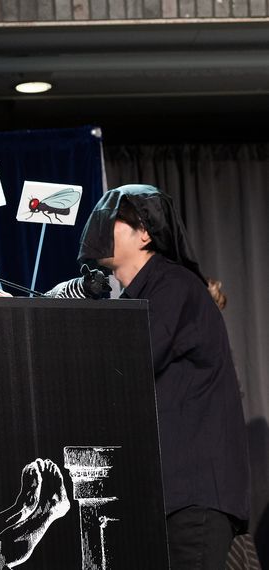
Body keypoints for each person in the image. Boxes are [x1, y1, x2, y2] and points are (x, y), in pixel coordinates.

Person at [78, 183, 250, 569]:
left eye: (115, 219)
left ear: (145, 233)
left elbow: (125, 362)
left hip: (191, 499)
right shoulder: (141, 297)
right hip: (167, 500)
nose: (103, 227)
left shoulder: (172, 285)